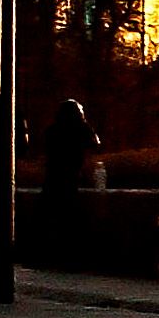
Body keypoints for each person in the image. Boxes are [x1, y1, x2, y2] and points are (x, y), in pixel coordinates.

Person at [37, 95, 98, 266]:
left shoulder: (52, 130)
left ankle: (47, 256)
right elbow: (95, 143)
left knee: (49, 218)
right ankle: (69, 257)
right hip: (71, 178)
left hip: (52, 178)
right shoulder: (82, 129)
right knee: (69, 219)